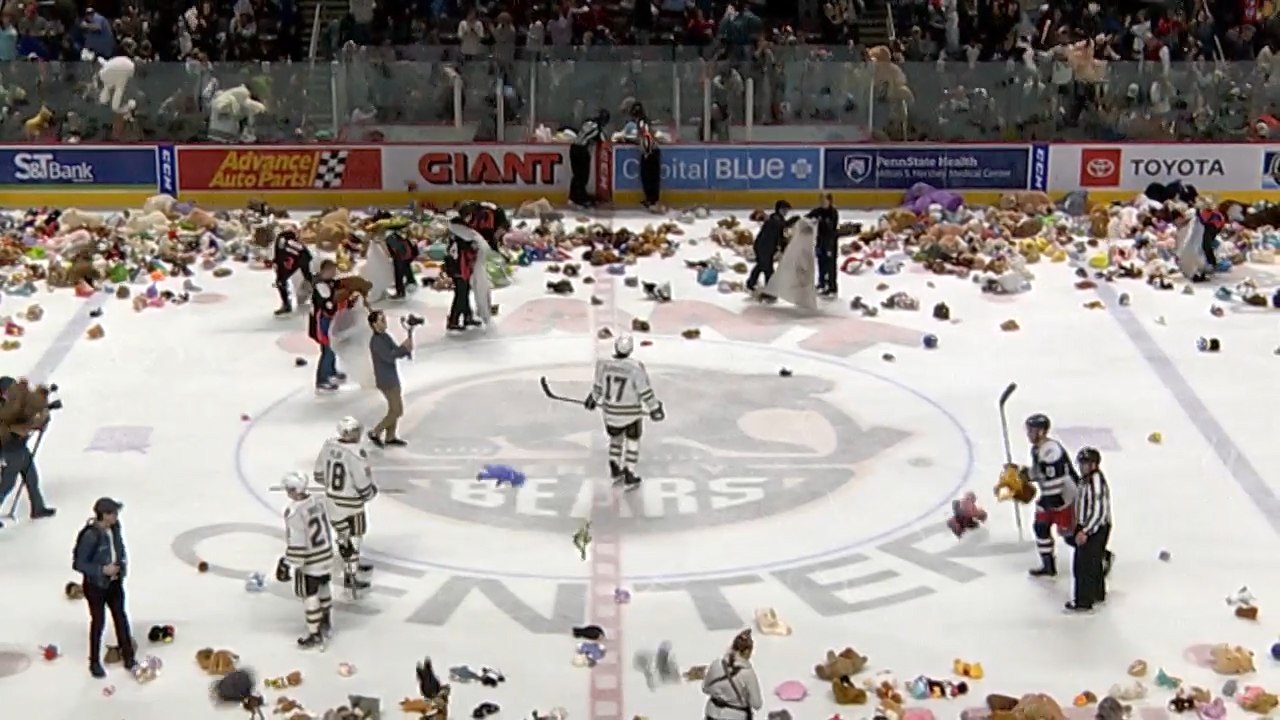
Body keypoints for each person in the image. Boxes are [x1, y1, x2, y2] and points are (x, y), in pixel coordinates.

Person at [583, 334, 664, 489]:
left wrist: (593, 398)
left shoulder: (603, 364)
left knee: (616, 439)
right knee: (632, 441)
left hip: (610, 414)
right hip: (631, 414)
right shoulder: (635, 367)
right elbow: (644, 391)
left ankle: (614, 465)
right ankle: (629, 472)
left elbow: (598, 387)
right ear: (631, 350)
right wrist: (654, 408)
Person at [72, 497, 135, 678]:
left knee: (121, 618)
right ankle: (94, 661)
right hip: (96, 586)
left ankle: (128, 656)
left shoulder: (115, 528)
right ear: (104, 515)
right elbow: (79, 563)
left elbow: (119, 548)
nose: (116, 516)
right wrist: (102, 570)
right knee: (98, 622)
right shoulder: (90, 535)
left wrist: (121, 566)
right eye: (113, 513)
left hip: (114, 582)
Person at [316, 416, 377, 594]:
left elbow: (319, 474)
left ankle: (352, 563)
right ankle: (351, 575)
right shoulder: (356, 453)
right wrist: (370, 492)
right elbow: (361, 481)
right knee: (355, 537)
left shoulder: (329, 445)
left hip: (332, 500)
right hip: (352, 503)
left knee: (344, 536)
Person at [275, 471, 336, 649]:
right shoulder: (318, 501)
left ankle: (314, 632)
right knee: (324, 586)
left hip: (311, 560)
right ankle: (326, 621)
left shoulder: (294, 512)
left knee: (310, 595)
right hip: (326, 553)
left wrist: (289, 561)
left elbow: (298, 541)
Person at [1023, 413, 1079, 578]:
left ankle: (1102, 556)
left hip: (1065, 498)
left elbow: (1056, 478)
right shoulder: (1037, 449)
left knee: (1071, 536)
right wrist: (1023, 474)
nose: (1029, 434)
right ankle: (1048, 565)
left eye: (1032, 430)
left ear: (1041, 431)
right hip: (1050, 496)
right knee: (1040, 527)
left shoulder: (1051, 450)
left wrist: (1050, 500)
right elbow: (1041, 473)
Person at [0, 376, 56, 527]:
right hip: (9, 450)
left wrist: (41, 416)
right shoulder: (5, 408)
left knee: (32, 478)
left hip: (20, 448)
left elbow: (27, 416)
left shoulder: (15, 403)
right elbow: (12, 422)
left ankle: (38, 508)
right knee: (6, 484)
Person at [1068, 446, 1113, 613]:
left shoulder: (1096, 483)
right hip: (1089, 525)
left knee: (1083, 564)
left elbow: (1098, 511)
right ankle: (1097, 593)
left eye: (1085, 463)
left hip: (1095, 527)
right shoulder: (1085, 480)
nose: (1082, 467)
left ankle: (1084, 601)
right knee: (1093, 562)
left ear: (1094, 465)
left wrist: (1085, 531)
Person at [366, 310, 413, 447]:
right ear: (374, 324)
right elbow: (389, 356)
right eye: (381, 320)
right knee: (397, 410)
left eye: (384, 319)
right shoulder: (376, 341)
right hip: (386, 380)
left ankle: (390, 436)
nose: (385, 322)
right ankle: (376, 431)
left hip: (391, 377)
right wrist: (403, 349)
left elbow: (395, 351)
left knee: (394, 409)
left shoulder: (385, 336)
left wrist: (405, 349)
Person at [701, 629, 763, 720]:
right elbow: (757, 704)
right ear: (746, 651)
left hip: (712, 713)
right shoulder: (748, 673)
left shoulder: (716, 664)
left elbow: (705, 688)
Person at [746, 201, 798, 298]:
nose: (786, 212)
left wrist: (783, 248)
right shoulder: (774, 218)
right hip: (763, 247)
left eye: (787, 210)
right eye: (784, 210)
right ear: (779, 210)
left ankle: (751, 283)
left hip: (766, 247)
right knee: (768, 269)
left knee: (761, 265)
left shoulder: (778, 219)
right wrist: (791, 222)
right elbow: (780, 225)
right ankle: (769, 292)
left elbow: (781, 236)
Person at [309, 260, 345, 391]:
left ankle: (331, 370)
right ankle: (322, 379)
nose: (335, 273)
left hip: (327, 320)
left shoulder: (329, 283)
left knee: (332, 347)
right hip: (322, 322)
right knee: (327, 349)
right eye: (333, 271)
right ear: (326, 271)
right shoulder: (321, 286)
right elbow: (328, 305)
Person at [445, 217, 482, 332]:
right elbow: (466, 254)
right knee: (460, 295)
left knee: (464, 293)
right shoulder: (461, 240)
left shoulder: (457, 238)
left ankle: (467, 316)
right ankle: (453, 320)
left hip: (460, 270)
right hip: (460, 271)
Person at [569, 108, 609, 207]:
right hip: (582, 150)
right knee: (583, 176)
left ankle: (573, 196)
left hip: (573, 148)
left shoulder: (587, 122)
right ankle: (580, 197)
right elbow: (603, 141)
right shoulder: (598, 128)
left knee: (577, 175)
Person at [272, 228, 314, 316]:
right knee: (281, 282)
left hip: (299, 258)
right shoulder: (281, 241)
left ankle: (318, 298)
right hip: (295, 258)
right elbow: (278, 257)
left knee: (309, 278)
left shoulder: (285, 241)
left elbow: (304, 254)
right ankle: (286, 305)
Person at [808, 194, 840, 297]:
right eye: (821, 200)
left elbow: (831, 229)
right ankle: (821, 283)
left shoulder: (833, 213)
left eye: (824, 201)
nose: (822, 202)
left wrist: (829, 247)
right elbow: (807, 218)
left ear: (829, 201)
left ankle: (832, 287)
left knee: (830, 265)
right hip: (820, 241)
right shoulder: (818, 211)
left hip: (830, 242)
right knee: (821, 263)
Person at [632, 102, 662, 209]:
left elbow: (647, 136)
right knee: (650, 177)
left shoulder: (641, 122)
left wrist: (647, 152)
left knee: (649, 177)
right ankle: (651, 199)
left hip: (650, 152)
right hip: (652, 151)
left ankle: (652, 199)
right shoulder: (645, 121)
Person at [383, 231, 419, 299]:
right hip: (406, 258)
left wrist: (393, 255)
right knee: (401, 275)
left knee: (398, 277)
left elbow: (395, 250)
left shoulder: (390, 237)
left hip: (399, 259)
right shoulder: (401, 235)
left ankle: (400, 293)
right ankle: (402, 291)